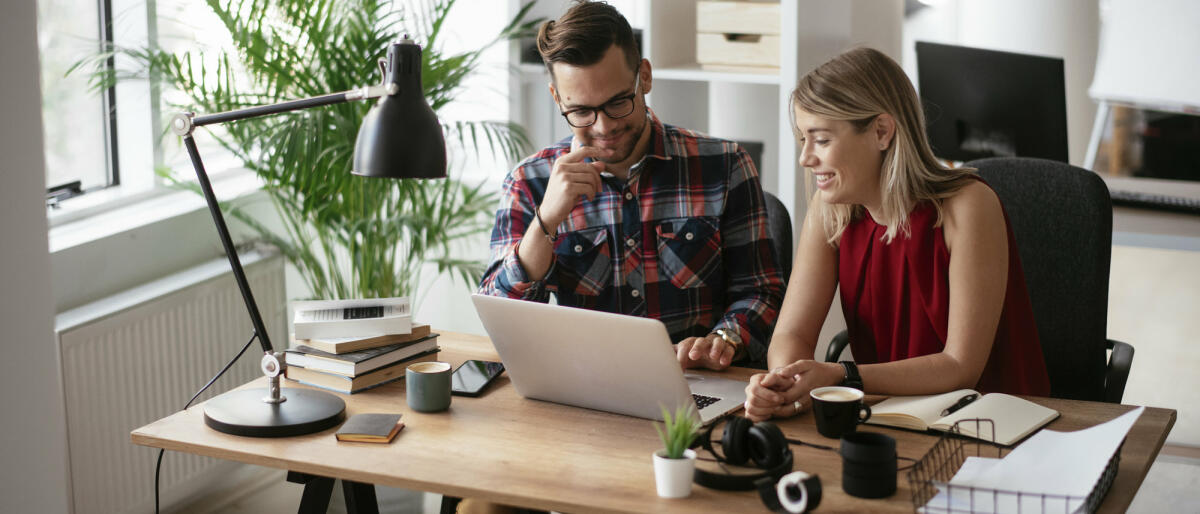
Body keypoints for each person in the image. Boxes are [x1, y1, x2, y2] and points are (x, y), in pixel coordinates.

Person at [743, 47, 1050, 422]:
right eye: (802, 140)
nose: (806, 158)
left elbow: (961, 366)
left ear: (881, 132)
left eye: (820, 140)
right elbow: (791, 332)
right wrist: (784, 382)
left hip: (989, 423)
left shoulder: (969, 206)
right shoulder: (831, 211)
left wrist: (843, 376)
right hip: (888, 416)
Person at [478, 1, 785, 371]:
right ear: (557, 98)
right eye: (581, 111)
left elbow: (762, 293)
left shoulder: (725, 165)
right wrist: (547, 220)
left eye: (618, 102)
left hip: (697, 383)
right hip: (588, 387)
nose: (604, 127)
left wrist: (722, 341)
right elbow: (503, 321)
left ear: (645, 77)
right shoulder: (530, 182)